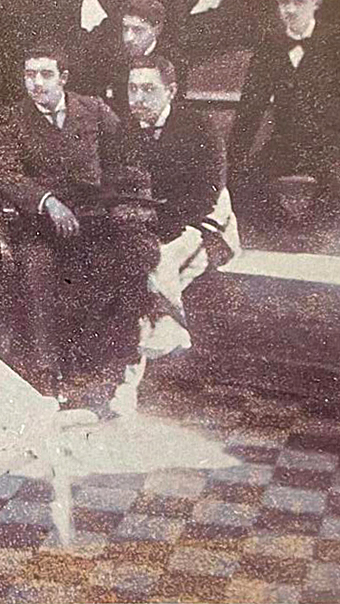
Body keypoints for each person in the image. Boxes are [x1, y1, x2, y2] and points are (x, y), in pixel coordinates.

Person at [0, 42, 159, 405]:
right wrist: (47, 202)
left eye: (46, 74)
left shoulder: (94, 110)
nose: (37, 83)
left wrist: (128, 200)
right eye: (29, 75)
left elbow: (126, 155)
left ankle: (108, 369)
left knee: (121, 266)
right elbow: (5, 174)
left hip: (93, 221)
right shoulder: (15, 119)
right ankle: (47, 371)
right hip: (40, 227)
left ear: (64, 78)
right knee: (38, 272)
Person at [108, 54, 237, 416]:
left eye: (148, 89)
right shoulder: (124, 132)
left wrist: (156, 226)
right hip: (156, 227)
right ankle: (164, 333)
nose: (138, 98)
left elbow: (207, 191)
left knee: (157, 263)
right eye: (132, 88)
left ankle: (130, 379)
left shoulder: (199, 127)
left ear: (171, 91)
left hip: (205, 225)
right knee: (142, 270)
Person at [228, 0, 340, 225]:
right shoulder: (269, 46)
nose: (290, 10)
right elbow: (250, 109)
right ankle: (285, 230)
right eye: (284, 2)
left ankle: (309, 234)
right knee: (241, 184)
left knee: (337, 191)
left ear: (316, 3)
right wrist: (233, 161)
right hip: (286, 144)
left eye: (299, 2)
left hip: (333, 145)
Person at [76, 0, 189, 111]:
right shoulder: (110, 55)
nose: (128, 38)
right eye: (125, 29)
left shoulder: (173, 60)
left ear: (157, 29)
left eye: (138, 30)